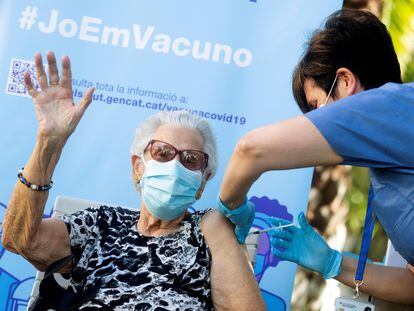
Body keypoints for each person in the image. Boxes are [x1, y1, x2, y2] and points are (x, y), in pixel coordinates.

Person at [1, 52, 265, 310]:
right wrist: (50, 143)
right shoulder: (101, 224)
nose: (174, 165)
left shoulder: (208, 229)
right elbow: (20, 239)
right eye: (162, 152)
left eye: (191, 159)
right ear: (138, 167)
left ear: (203, 182)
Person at [217, 9, 414, 304]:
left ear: (345, 81)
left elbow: (251, 150)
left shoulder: (383, 107)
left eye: (317, 105)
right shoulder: (387, 155)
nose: (315, 123)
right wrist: (332, 262)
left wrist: (232, 207)